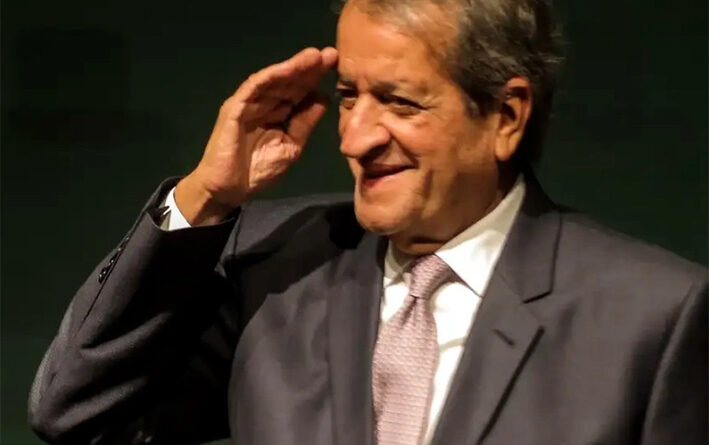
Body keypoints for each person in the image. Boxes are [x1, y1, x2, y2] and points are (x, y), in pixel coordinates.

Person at [29, 0, 707, 444]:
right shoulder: (273, 267)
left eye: (400, 102)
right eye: (349, 95)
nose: (354, 138)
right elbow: (76, 413)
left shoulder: (651, 317)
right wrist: (204, 196)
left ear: (505, 116)